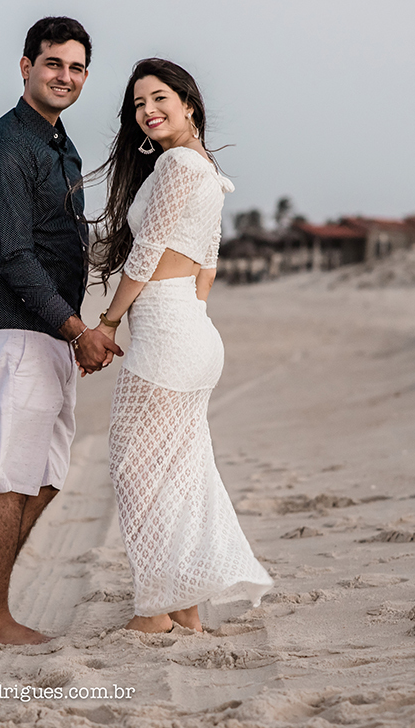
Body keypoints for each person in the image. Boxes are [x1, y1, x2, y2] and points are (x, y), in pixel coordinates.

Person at [88, 58, 273, 633]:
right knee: (178, 472)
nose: (148, 111)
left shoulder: (174, 164)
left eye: (160, 97)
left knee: (134, 467)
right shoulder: (207, 170)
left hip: (169, 330)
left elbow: (146, 255)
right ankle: (185, 608)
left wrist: (109, 322)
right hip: (193, 330)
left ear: (189, 102)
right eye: (139, 104)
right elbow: (208, 267)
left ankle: (154, 612)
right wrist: (185, 317)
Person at [0, 16, 122, 645]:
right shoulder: (3, 144)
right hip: (16, 330)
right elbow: (15, 253)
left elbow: (64, 244)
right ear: (26, 66)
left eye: (77, 67)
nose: (65, 77)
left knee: (46, 475)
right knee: (11, 477)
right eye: (54, 63)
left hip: (51, 332)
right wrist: (78, 329)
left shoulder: (62, 144)